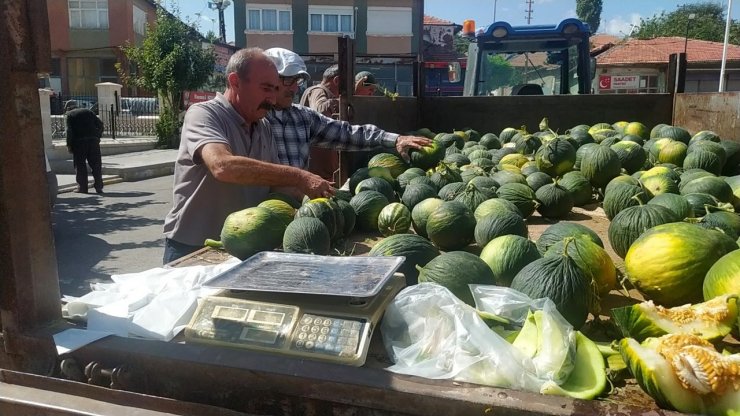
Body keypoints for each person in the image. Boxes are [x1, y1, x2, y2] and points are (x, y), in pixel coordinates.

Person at [162, 48, 335, 264]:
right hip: (192, 249)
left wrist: (323, 202)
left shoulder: (263, 126)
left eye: (275, 89)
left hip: (242, 248)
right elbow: (222, 166)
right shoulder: (204, 114)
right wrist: (300, 176)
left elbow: (275, 185)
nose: (272, 98)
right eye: (266, 89)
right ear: (235, 82)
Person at [264, 48, 430, 185]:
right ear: (269, 80)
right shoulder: (254, 119)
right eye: (288, 81)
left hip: (298, 210)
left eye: (297, 82)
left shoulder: (301, 117)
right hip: (260, 213)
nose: (294, 89)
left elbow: (346, 133)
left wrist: (396, 139)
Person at [65, 101, 104, 194]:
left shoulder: (69, 115)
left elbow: (69, 132)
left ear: (68, 109)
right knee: (96, 165)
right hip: (93, 142)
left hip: (79, 143)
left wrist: (69, 145)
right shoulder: (88, 112)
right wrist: (97, 137)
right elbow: (101, 125)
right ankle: (99, 187)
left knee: (80, 165)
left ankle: (82, 188)